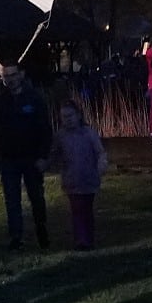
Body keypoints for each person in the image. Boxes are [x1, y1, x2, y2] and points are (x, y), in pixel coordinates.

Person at [0, 64, 52, 249]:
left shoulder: (35, 99)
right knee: (11, 199)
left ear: (21, 74)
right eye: (6, 76)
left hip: (31, 157)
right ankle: (16, 236)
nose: (10, 79)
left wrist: (43, 156)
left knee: (36, 196)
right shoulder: (0, 101)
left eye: (13, 75)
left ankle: (41, 229)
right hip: (9, 158)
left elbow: (45, 129)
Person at [50, 99, 108, 250]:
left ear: (78, 115)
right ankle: (81, 240)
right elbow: (55, 155)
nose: (67, 120)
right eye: (64, 117)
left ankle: (87, 238)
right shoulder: (61, 136)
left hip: (88, 177)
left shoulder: (89, 133)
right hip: (72, 179)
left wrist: (101, 165)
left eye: (70, 116)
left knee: (86, 209)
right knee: (76, 209)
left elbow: (99, 152)